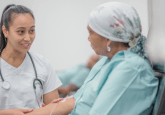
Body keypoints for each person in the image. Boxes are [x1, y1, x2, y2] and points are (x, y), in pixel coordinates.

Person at [26, 2, 158, 115]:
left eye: (91, 32)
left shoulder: (131, 69)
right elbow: (76, 101)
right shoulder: (107, 62)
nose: (88, 38)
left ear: (108, 37)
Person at [0, 4, 62, 111]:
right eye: (21, 32)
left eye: (32, 31)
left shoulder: (42, 63)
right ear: (5, 31)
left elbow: (54, 109)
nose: (28, 38)